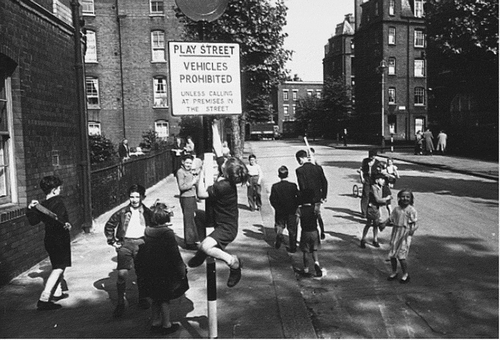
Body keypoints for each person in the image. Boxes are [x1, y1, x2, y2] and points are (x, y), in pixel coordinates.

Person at [188, 120, 249, 288]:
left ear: (226, 171)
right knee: (198, 216)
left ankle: (233, 263)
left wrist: (200, 173)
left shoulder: (224, 186)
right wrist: (214, 127)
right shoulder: (227, 176)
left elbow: (201, 193)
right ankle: (202, 251)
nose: (223, 161)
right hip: (217, 219)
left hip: (227, 228)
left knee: (207, 246)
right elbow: (218, 149)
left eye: (225, 163)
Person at [136, 202, 187, 335]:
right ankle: (166, 324)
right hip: (165, 271)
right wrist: (182, 270)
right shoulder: (167, 233)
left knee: (155, 297)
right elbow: (175, 255)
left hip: (151, 269)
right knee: (164, 299)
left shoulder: (148, 231)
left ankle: (155, 322)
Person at [104, 184, 153, 317]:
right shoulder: (122, 212)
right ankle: (121, 301)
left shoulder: (148, 212)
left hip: (142, 243)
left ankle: (142, 298)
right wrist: (113, 242)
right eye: (132, 197)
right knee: (121, 274)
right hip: (125, 244)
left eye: (137, 197)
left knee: (142, 273)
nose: (134, 200)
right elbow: (109, 225)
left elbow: (154, 226)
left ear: (142, 197)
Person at [27, 176, 72, 311]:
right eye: (58, 188)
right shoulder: (58, 202)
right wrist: (66, 223)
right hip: (60, 239)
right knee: (59, 267)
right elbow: (61, 218)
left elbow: (33, 221)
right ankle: (44, 299)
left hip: (49, 239)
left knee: (57, 265)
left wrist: (30, 208)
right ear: (53, 190)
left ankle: (57, 292)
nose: (59, 190)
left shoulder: (40, 206)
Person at [384, 189, 418, 284]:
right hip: (396, 233)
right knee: (393, 254)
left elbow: (416, 223)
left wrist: (412, 230)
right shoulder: (396, 209)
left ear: (411, 199)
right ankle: (394, 271)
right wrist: (384, 223)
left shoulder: (411, 210)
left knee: (401, 256)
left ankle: (405, 274)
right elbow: (390, 218)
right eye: (403, 196)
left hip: (405, 235)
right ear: (399, 198)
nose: (405, 198)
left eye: (407, 197)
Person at [295, 149, 328, 244]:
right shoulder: (318, 168)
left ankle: (308, 238)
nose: (299, 162)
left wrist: (302, 199)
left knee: (307, 217)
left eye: (298, 160)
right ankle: (322, 232)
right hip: (317, 196)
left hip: (307, 198)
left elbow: (302, 186)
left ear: (301, 158)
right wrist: (324, 195)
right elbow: (324, 182)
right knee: (317, 214)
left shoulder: (299, 170)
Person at [269, 165, 299, 251]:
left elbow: (272, 199)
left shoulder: (275, 186)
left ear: (279, 175)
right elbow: (297, 197)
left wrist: (277, 208)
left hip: (280, 211)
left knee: (280, 225)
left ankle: (279, 235)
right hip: (291, 211)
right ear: (288, 175)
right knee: (292, 229)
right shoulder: (293, 186)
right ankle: (293, 247)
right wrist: (296, 206)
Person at [360, 173, 391, 248]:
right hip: (371, 208)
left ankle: (375, 239)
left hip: (376, 208)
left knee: (375, 225)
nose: (383, 181)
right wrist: (386, 199)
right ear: (377, 180)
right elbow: (377, 199)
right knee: (368, 224)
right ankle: (363, 239)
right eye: (382, 179)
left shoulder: (379, 187)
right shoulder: (374, 188)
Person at [176, 154, 200, 250]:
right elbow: (181, 187)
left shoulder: (191, 171)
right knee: (189, 220)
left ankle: (193, 240)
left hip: (192, 197)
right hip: (186, 198)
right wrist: (193, 182)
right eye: (187, 163)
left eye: (190, 163)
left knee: (194, 219)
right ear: (183, 162)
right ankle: (189, 243)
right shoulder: (180, 172)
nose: (189, 165)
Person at [298, 204, 324, 278]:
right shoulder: (315, 208)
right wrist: (322, 231)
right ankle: (316, 263)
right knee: (314, 249)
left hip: (305, 232)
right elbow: (320, 220)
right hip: (314, 232)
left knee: (305, 251)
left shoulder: (300, 210)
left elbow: (296, 221)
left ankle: (306, 269)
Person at [359, 149, 383, 217]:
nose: (372, 158)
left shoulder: (377, 162)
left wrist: (378, 179)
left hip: (374, 179)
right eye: (371, 156)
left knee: (374, 195)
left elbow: (380, 172)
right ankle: (364, 212)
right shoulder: (365, 161)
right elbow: (362, 170)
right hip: (366, 178)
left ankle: (373, 211)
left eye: (373, 156)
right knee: (365, 194)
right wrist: (362, 178)